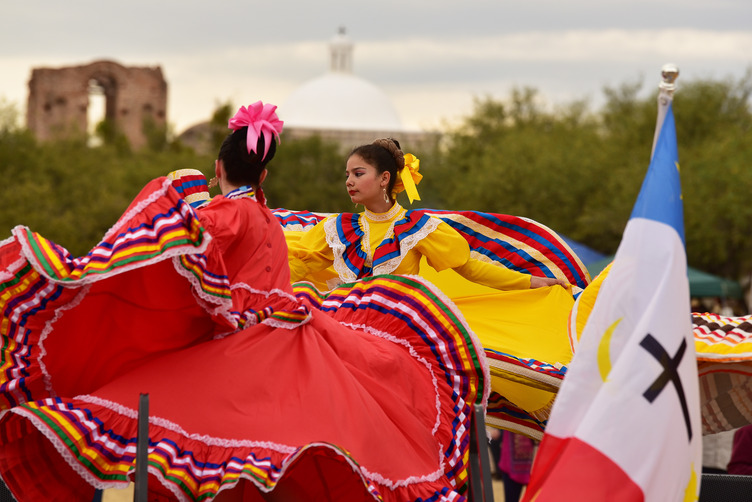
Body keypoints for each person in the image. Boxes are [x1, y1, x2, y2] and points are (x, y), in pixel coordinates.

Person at [0, 103, 487, 501]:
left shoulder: (227, 212)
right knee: (267, 451)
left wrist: (155, 212)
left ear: (217, 169)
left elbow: (178, 243)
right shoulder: (270, 220)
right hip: (293, 337)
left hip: (250, 344)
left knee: (203, 436)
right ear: (265, 171)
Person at [282, 138, 584, 438]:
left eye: (358, 173)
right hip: (348, 330)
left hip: (399, 336)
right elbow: (297, 263)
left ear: (384, 178)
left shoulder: (418, 227)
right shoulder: (337, 230)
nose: (349, 181)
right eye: (346, 175)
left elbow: (471, 269)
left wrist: (532, 282)